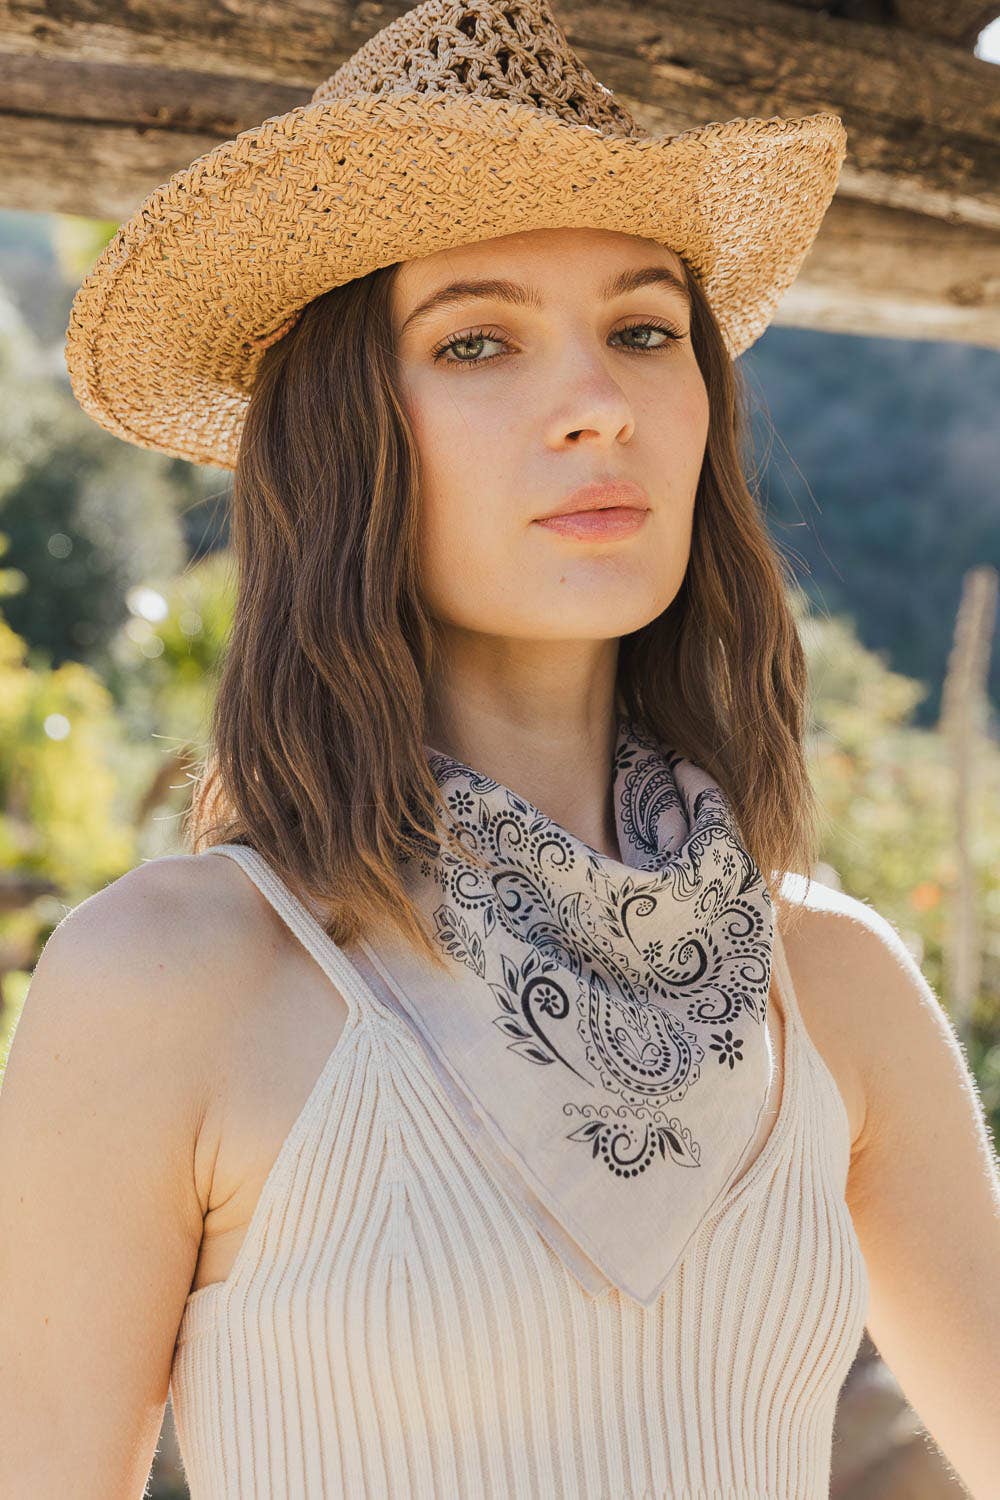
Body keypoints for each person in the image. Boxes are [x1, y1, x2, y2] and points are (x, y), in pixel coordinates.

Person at [2, 0, 998, 1496]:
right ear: (345, 440)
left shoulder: (838, 990)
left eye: (644, 331)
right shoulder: (171, 977)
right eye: (476, 341)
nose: (599, 405)